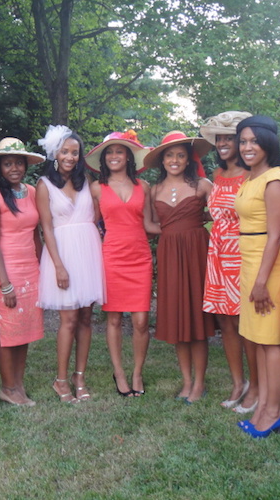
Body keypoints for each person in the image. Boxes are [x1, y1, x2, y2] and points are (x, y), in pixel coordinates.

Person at [143, 131, 215, 404]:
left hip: (197, 252)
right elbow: (148, 225)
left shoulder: (203, 185)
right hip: (170, 253)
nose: (175, 160)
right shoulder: (154, 190)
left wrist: (196, 220)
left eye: (180, 155)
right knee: (178, 317)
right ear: (162, 160)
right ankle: (186, 381)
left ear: (188, 159)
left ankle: (199, 382)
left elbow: (223, 214)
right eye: (170, 155)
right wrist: (172, 232)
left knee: (196, 317)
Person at [86, 130, 159, 396]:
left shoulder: (144, 187)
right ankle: (119, 373)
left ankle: (137, 372)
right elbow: (90, 225)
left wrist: (184, 229)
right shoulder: (96, 188)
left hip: (139, 258)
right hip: (112, 258)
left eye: (119, 151)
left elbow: (150, 224)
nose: (114, 156)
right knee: (114, 319)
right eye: (110, 152)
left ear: (128, 156)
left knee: (141, 320)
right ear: (103, 159)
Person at [36, 125, 105, 403]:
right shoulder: (45, 185)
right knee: (68, 319)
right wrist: (59, 266)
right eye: (65, 151)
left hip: (88, 252)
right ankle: (60, 379)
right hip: (62, 253)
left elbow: (97, 217)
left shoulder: (87, 181)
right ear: (55, 153)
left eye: (75, 152)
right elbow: (46, 228)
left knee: (86, 317)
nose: (70, 157)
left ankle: (80, 375)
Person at [234, 115, 280, 438]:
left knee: (270, 342)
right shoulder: (252, 177)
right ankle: (265, 405)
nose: (247, 147)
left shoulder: (274, 180)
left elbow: (275, 235)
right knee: (256, 339)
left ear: (268, 142)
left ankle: (274, 410)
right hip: (250, 263)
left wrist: (260, 281)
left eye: (254, 140)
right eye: (243, 141)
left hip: (266, 268)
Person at [200, 111, 259, 412]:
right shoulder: (217, 175)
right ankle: (239, 382)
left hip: (243, 253)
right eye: (219, 138)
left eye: (228, 137)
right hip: (218, 253)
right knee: (226, 321)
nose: (222, 143)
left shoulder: (254, 174)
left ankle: (257, 385)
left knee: (247, 323)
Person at [0, 138, 46, 406]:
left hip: (30, 267)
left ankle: (18, 384)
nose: (14, 168)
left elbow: (37, 234)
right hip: (4, 269)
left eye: (18, 163)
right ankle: (7, 387)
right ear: (0, 167)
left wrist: (44, 267)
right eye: (8, 163)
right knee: (8, 328)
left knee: (25, 327)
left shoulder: (31, 192)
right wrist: (5, 283)